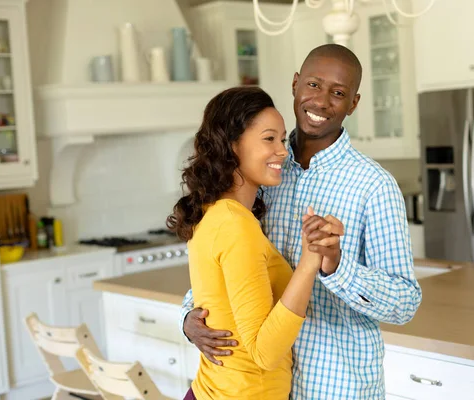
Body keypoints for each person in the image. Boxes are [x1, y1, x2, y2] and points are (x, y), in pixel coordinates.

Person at [181, 44, 422, 399]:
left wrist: (337, 266)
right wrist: (189, 318)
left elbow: (405, 303)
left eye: (338, 93)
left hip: (337, 387)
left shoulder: (374, 186)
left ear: (353, 103)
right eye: (313, 84)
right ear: (295, 84)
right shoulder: (261, 174)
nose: (322, 101)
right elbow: (226, 267)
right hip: (265, 386)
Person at [167, 86, 344, 400]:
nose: (282, 150)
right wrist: (310, 259)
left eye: (282, 138)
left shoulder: (215, 214)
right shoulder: (236, 225)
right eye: (269, 138)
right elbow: (264, 352)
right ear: (232, 145)